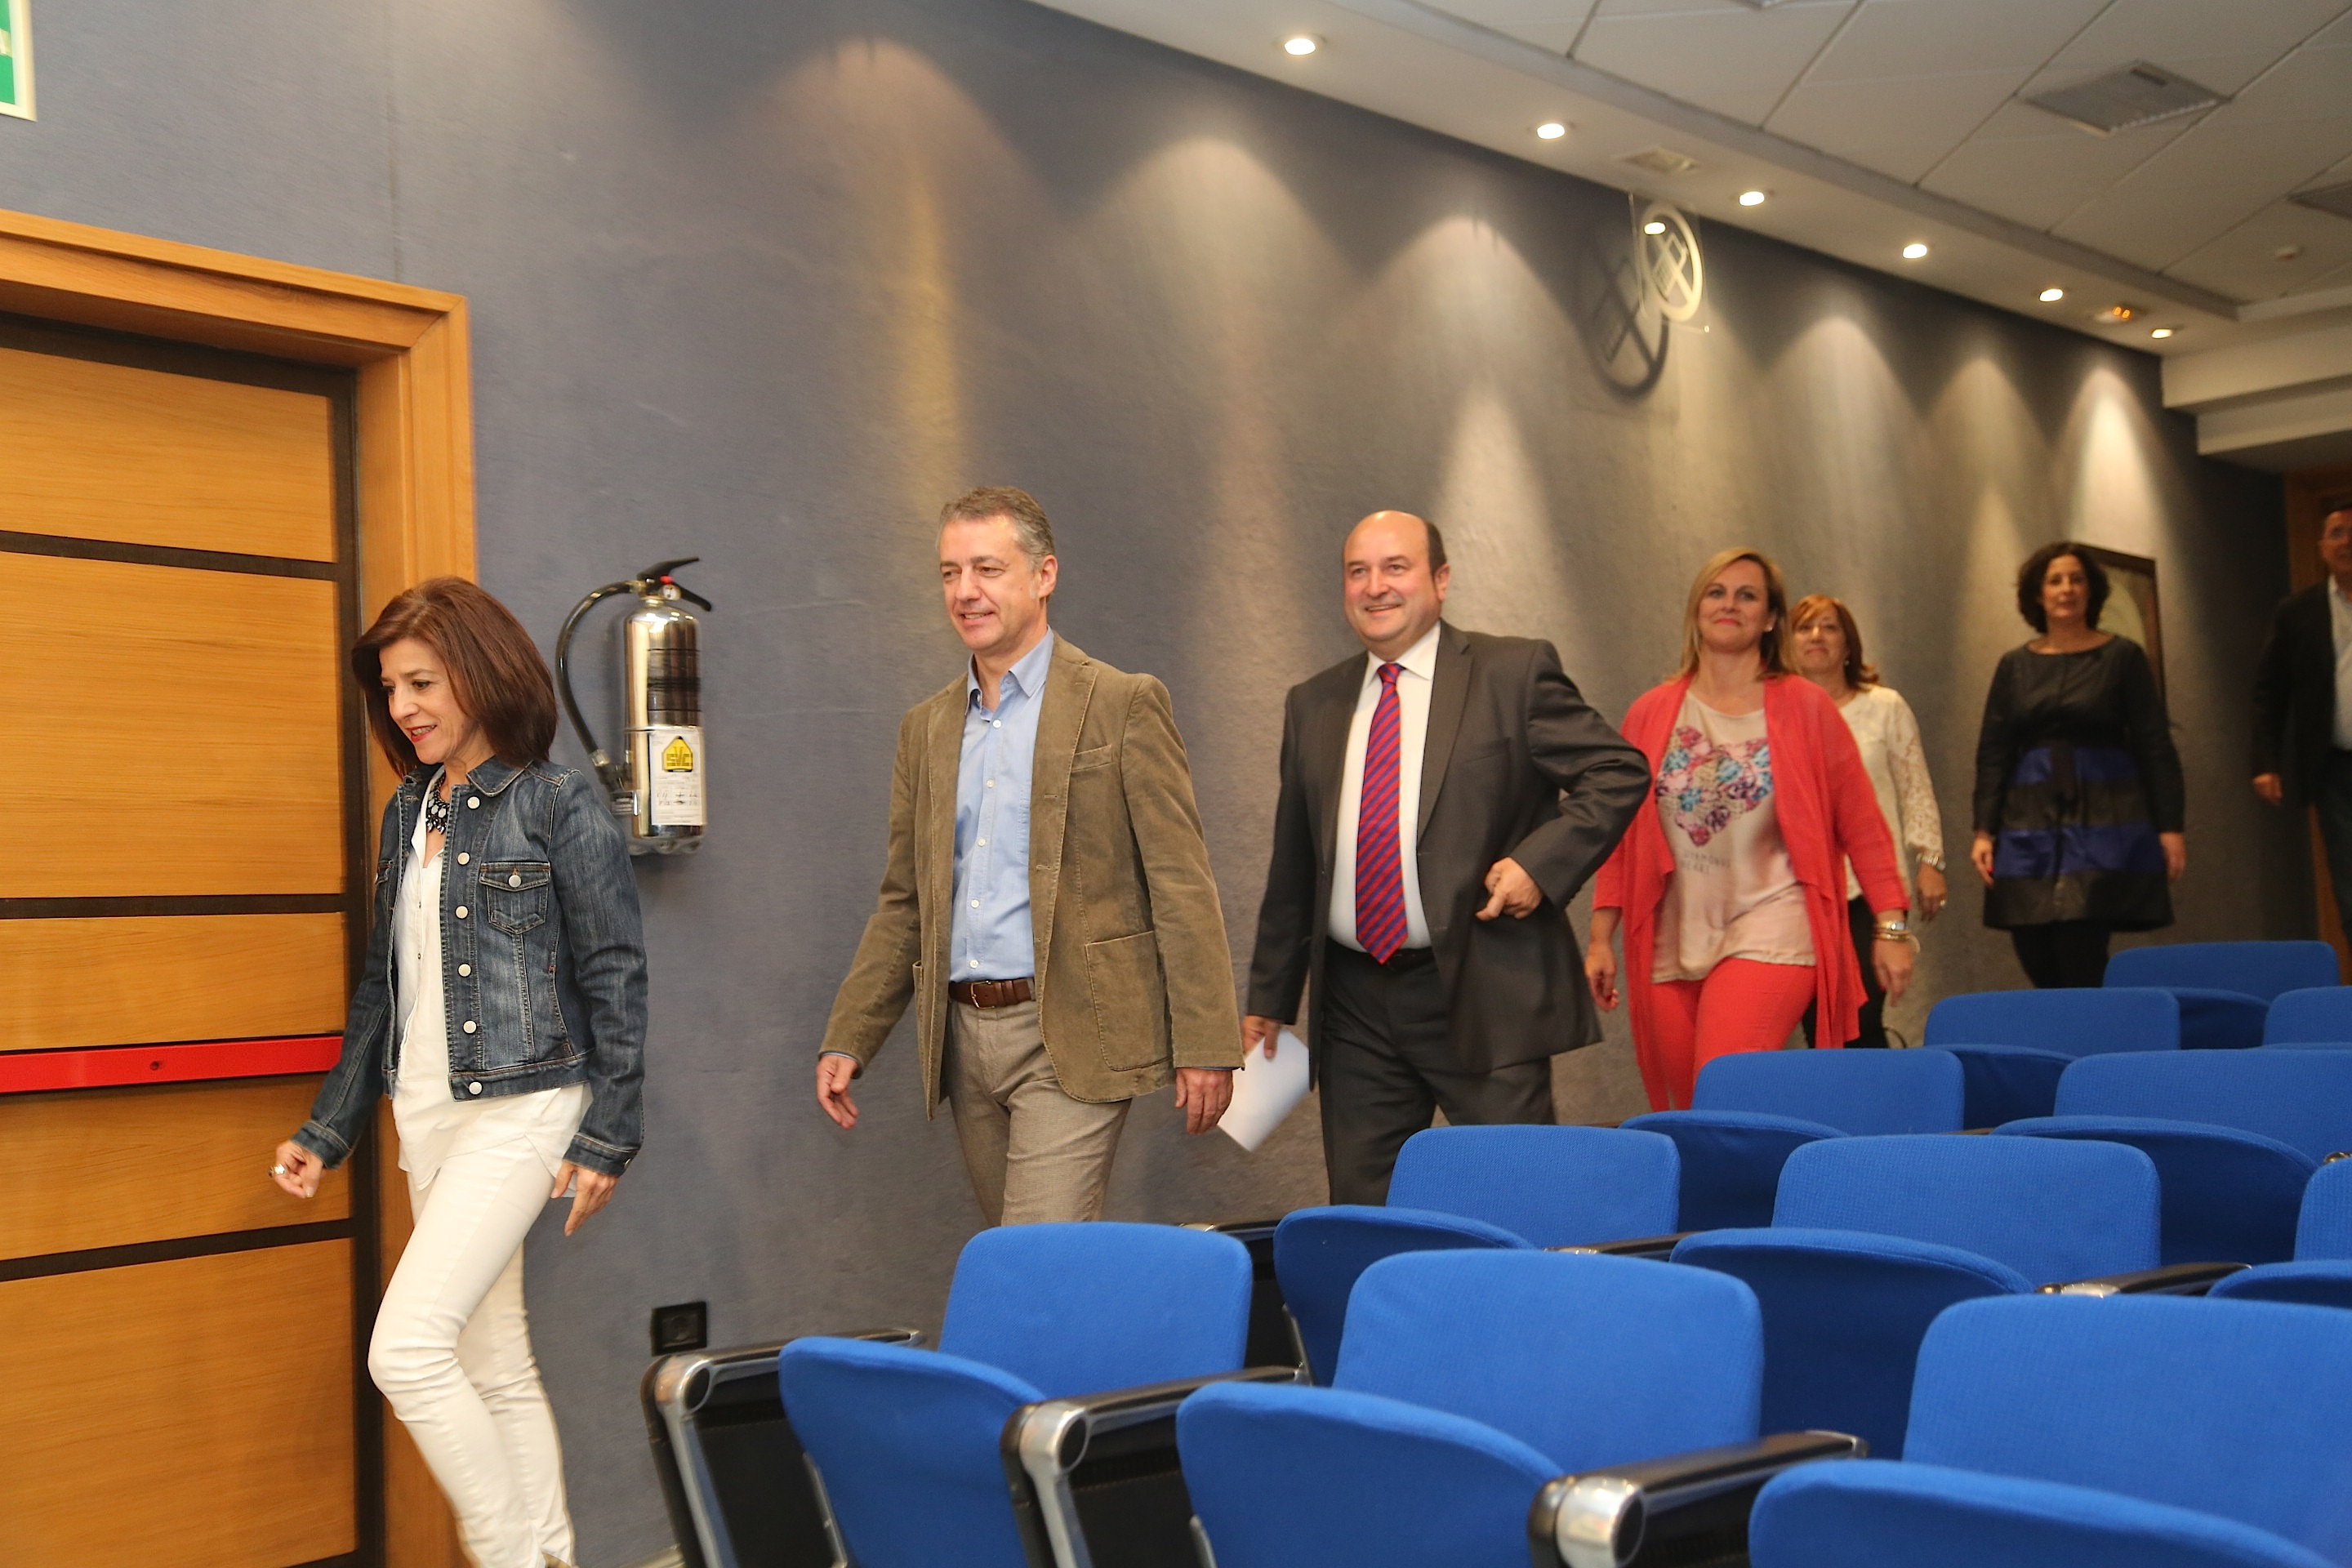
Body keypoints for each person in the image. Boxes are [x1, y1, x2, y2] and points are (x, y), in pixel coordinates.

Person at [271, 578, 646, 1568]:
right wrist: (327, 1129)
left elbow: (614, 970)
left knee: (406, 1352)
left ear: (480, 672)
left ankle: (507, 1555)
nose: (403, 707)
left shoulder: (556, 803)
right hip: (428, 1115)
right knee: (494, 1360)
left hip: (524, 1109)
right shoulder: (410, 809)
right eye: (391, 688)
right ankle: (551, 1557)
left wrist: (610, 1131)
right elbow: (383, 987)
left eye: (423, 682)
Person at [816, 486, 1241, 1224]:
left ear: (1044, 575)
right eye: (950, 572)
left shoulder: (1123, 703)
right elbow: (905, 903)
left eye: (987, 569)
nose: (965, 591)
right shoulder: (926, 729)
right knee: (1031, 1263)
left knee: (1035, 1258)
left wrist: (1207, 1042)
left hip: (1073, 1033)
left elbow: (1181, 884)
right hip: (962, 1042)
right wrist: (851, 1036)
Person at [1243, 510, 1649, 1204]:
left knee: (1517, 1200)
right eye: (1358, 571)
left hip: (1481, 988)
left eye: (1395, 567)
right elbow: (1295, 861)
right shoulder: (1313, 703)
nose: (1375, 587)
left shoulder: (1512, 673)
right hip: (1355, 1004)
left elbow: (1617, 770)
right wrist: (1270, 998)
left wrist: (1539, 865)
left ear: (1441, 580)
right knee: (1365, 1209)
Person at [1588, 549, 1911, 1112]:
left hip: (1775, 919)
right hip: (1674, 931)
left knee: (1723, 1082)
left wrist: (1891, 928)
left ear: (1770, 618)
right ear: (1697, 609)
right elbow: (1624, 834)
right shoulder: (1651, 712)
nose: (1729, 605)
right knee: (1688, 1104)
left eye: (1747, 595)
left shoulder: (1805, 707)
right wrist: (1600, 936)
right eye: (1716, 592)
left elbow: (1863, 825)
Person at [1971, 541, 2185, 987]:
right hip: (2029, 814)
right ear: (2038, 594)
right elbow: (1994, 750)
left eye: (2076, 580)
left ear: (2091, 591)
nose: (2066, 589)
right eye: (2055, 581)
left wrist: (2169, 826)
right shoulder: (2014, 665)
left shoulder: (2123, 657)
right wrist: (1984, 830)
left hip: (2104, 811)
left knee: (2081, 940)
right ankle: (2067, 1025)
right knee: (2031, 937)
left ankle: (2091, 1028)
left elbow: (2154, 744)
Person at [1790, 594, 1947, 1048]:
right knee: (1819, 1021)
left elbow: (1915, 786)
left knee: (1860, 1014)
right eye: (1804, 628)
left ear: (1848, 644)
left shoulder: (1884, 706)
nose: (1817, 636)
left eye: (1829, 627)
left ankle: (1877, 1091)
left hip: (1872, 888)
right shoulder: (1777, 713)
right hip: (1801, 888)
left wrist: (1931, 861)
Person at [2252, 505, 2352, 935]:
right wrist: (2266, 762)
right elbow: (2270, 691)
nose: (2348, 542)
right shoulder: (2298, 612)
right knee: (2349, 878)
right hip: (2334, 767)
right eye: (2338, 533)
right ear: (2322, 547)